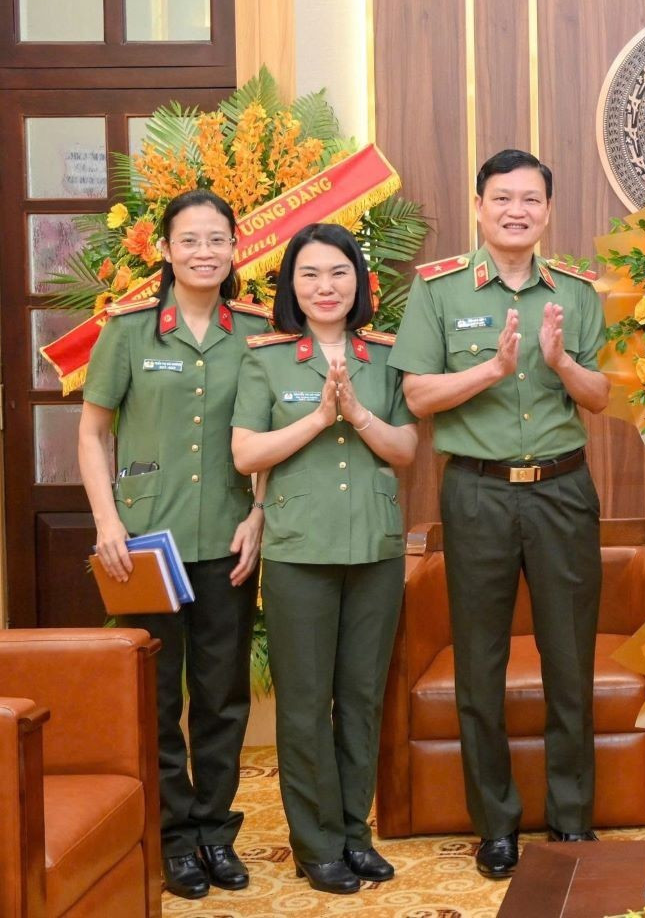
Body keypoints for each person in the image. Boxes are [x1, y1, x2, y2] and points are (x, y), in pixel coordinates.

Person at [389, 149, 609, 880]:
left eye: (531, 200)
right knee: (479, 663)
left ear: (548, 211)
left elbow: (603, 395)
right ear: (479, 206)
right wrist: (491, 369)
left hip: (562, 489)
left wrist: (560, 362)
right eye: (503, 198)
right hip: (477, 491)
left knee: (569, 660)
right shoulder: (439, 290)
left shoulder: (575, 293)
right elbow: (417, 398)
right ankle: (498, 824)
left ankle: (573, 821)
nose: (517, 210)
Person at [76, 188, 272, 900]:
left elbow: (264, 438)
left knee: (221, 696)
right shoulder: (126, 332)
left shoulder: (254, 331)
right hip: (145, 543)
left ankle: (217, 834)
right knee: (156, 699)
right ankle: (174, 838)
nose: (203, 252)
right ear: (165, 249)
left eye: (216, 239)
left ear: (234, 248)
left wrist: (259, 514)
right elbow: (93, 433)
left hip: (227, 537)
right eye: (189, 240)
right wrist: (106, 522)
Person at [231, 224, 419, 894]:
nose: (325, 287)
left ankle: (354, 834)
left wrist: (357, 413)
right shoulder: (266, 360)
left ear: (360, 282)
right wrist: (317, 418)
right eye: (309, 274)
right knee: (307, 703)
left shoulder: (387, 358)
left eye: (338, 272)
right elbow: (245, 454)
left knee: (362, 699)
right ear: (291, 286)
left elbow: (405, 451)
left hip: (374, 548)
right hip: (299, 553)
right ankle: (316, 845)